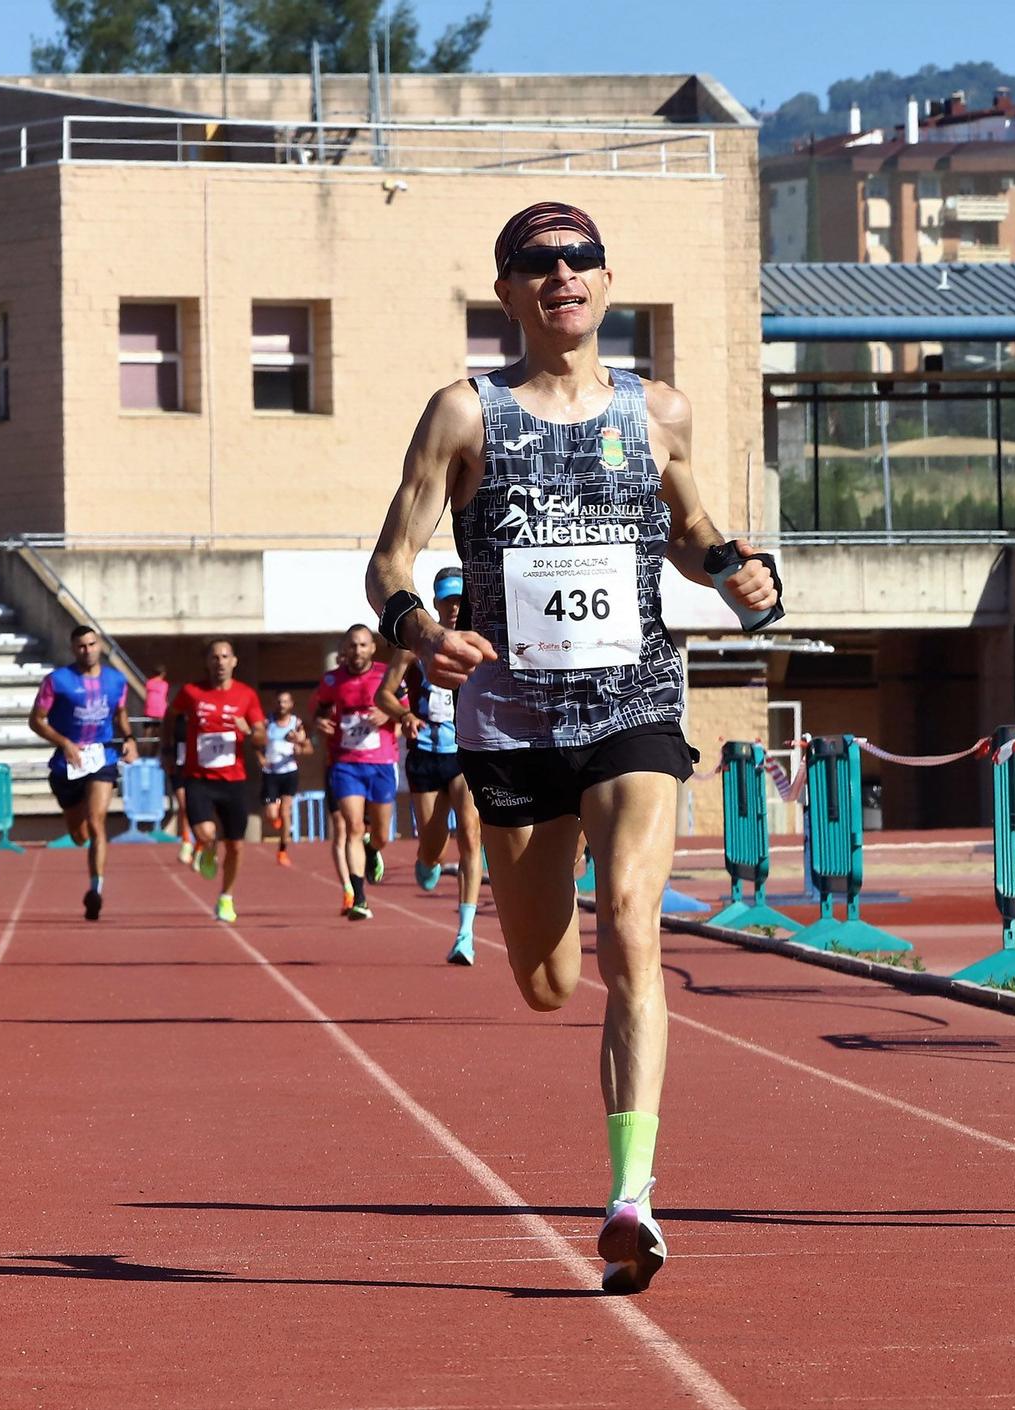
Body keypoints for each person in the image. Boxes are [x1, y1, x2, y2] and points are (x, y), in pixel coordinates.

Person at [363, 201, 777, 1294]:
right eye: (539, 263)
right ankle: (610, 1137)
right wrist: (418, 629)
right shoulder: (466, 414)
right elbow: (390, 556)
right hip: (510, 722)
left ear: (605, 281)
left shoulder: (656, 410)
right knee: (547, 982)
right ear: (507, 291)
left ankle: (631, 1197)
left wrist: (740, 568)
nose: (563, 275)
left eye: (581, 258)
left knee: (631, 929)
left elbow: (694, 534)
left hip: (634, 704)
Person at [376, 565, 484, 965]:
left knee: (471, 835)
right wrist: (404, 715)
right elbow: (383, 695)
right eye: (447, 600)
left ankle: (465, 933)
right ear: (435, 602)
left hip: (464, 750)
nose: (454, 607)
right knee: (434, 841)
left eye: (460, 599)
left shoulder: (477, 641)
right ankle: (427, 859)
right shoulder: (413, 648)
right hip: (424, 753)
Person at [28, 625, 141, 921]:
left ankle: (96, 890)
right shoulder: (57, 681)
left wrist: (129, 739)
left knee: (97, 822)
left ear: (100, 645)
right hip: (67, 763)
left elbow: (120, 713)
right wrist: (64, 743)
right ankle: (82, 844)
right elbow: (36, 720)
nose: (87, 650)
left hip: (101, 756)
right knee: (79, 834)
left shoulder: (116, 680)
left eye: (92, 644)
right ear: (72, 648)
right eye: (81, 646)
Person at [161, 639, 267, 923]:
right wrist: (167, 748)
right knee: (206, 833)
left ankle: (226, 898)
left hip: (233, 781)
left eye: (225, 656)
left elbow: (261, 737)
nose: (220, 662)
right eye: (214, 657)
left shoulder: (246, 695)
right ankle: (207, 848)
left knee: (235, 846)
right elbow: (170, 716)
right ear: (207, 662)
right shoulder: (191, 692)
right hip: (199, 778)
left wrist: (248, 730)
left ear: (234, 661)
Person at [313, 625, 399, 921]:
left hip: (381, 762)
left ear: (372, 648)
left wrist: (389, 713)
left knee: (382, 834)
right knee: (352, 827)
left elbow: (406, 705)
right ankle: (360, 898)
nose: (358, 651)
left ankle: (373, 849)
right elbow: (320, 710)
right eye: (352, 645)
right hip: (346, 763)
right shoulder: (332, 680)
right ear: (344, 649)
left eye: (363, 645)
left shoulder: (386, 674)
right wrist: (321, 723)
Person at [260, 689, 312, 866]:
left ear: (291, 704)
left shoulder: (297, 724)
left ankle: (282, 850)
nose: (281, 705)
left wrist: (299, 743)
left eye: (285, 702)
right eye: (279, 702)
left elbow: (308, 748)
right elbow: (256, 744)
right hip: (271, 773)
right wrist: (260, 757)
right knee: (272, 813)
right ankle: (276, 819)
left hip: (289, 772)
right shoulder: (268, 722)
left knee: (285, 810)